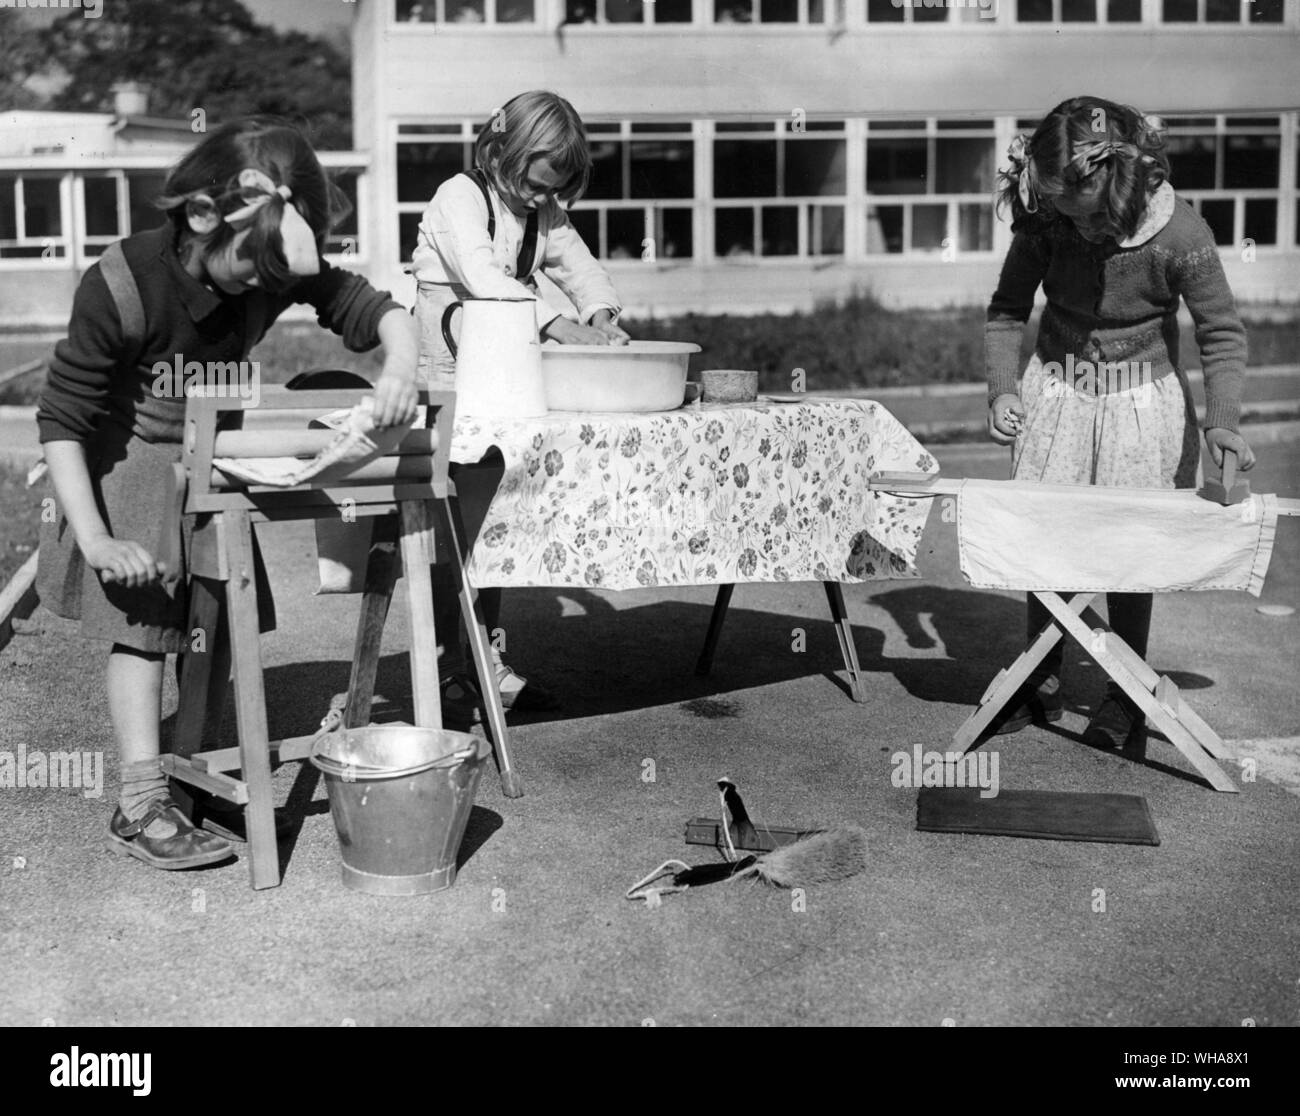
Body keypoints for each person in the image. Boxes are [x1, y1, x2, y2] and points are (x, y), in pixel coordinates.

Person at [36, 118, 419, 870]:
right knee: (145, 628)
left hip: (208, 456)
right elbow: (62, 419)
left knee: (217, 618)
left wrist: (401, 364)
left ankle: (191, 771)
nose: (262, 290)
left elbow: (367, 307)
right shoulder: (120, 283)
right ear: (203, 217)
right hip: (127, 464)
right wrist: (96, 538)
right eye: (252, 270)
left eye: (277, 279)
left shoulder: (265, 253)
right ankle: (140, 800)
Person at [984, 95, 1254, 748]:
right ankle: (1040, 674)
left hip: (1141, 406)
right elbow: (1005, 312)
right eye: (1064, 215)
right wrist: (1000, 391)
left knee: (1129, 547)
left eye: (1089, 220)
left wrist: (1221, 424)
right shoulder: (1047, 222)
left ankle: (1126, 690)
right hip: (1059, 394)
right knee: (1046, 538)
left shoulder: (1181, 235)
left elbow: (1221, 331)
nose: (1081, 232)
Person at [411, 89, 629, 714]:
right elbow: (484, 282)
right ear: (499, 151)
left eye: (551, 190)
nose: (541, 201)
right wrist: (561, 325)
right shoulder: (460, 196)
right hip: (447, 384)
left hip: (503, 384)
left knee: (489, 527)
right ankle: (445, 668)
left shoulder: (544, 211)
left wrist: (602, 315)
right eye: (533, 186)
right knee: (447, 534)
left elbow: (582, 269)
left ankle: (480, 661)